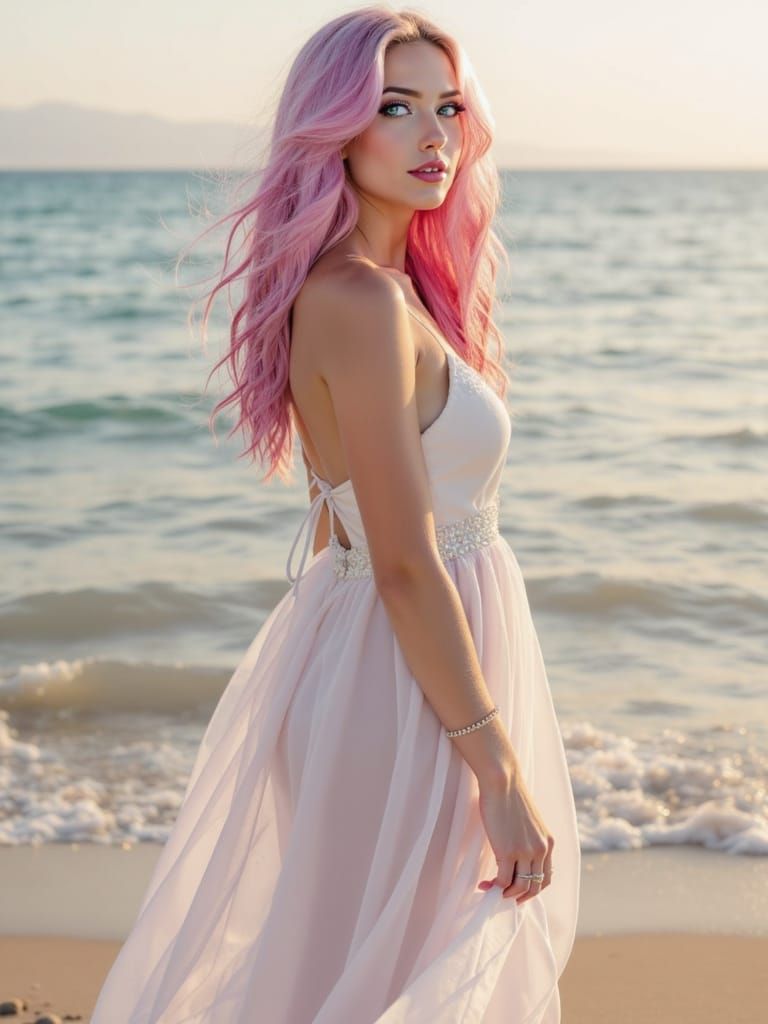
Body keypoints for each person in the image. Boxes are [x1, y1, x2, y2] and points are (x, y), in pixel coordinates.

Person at [91, 6, 580, 1021]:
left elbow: (342, 530)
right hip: (401, 688)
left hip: (391, 668)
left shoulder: (393, 295)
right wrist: (495, 766)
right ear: (336, 130)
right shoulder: (358, 300)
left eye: (447, 107)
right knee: (369, 980)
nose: (433, 135)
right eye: (394, 108)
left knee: (377, 969)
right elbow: (399, 561)